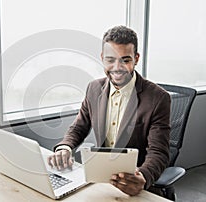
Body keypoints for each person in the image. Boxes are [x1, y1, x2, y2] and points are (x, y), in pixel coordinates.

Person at [47, 25, 171, 196]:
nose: (117, 67)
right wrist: (65, 147)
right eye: (110, 60)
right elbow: (79, 127)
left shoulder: (158, 98)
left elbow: (158, 152)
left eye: (125, 60)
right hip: (101, 180)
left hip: (134, 183)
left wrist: (142, 176)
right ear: (102, 58)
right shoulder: (93, 88)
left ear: (136, 58)